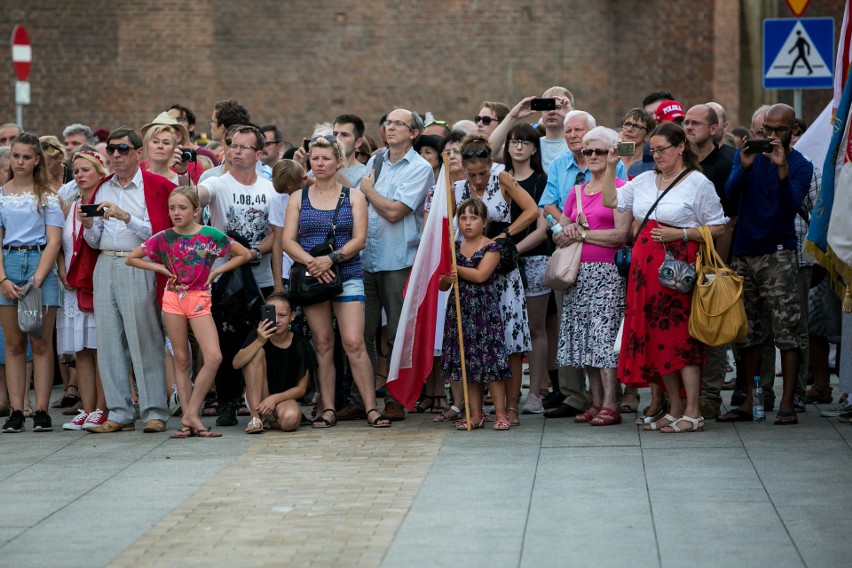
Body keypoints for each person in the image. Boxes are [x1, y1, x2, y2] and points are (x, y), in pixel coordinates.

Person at [602, 122, 727, 433]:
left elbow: (719, 226)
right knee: (657, 342)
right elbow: (610, 201)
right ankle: (674, 408)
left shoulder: (698, 183)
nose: (656, 155)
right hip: (645, 276)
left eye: (662, 149)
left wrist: (681, 232)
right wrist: (610, 164)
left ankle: (693, 412)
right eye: (652, 150)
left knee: (680, 342)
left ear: (681, 147)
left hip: (677, 274)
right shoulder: (644, 180)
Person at [281, 135, 390, 428]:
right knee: (323, 343)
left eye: (326, 158)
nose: (319, 164)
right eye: (314, 158)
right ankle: (327, 407)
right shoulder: (298, 197)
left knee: (354, 342)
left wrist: (333, 259)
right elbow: (287, 241)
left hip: (348, 273)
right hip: (312, 276)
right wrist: (313, 263)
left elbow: (360, 240)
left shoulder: (354, 196)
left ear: (338, 162)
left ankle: (370, 407)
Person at [127, 187, 251, 437]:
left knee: (213, 357)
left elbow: (244, 254)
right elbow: (132, 258)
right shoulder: (163, 237)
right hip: (173, 299)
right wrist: (161, 269)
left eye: (182, 208)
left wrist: (216, 272)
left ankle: (191, 412)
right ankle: (187, 420)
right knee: (181, 360)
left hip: (199, 299)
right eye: (172, 208)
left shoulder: (210, 235)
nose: (176, 212)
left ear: (196, 211)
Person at [719, 103, 813, 426]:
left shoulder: (800, 165)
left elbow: (788, 208)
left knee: (787, 330)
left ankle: (787, 400)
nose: (770, 136)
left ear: (792, 132)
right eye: (765, 131)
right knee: (749, 334)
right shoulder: (746, 156)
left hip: (777, 254)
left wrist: (782, 169)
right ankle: (750, 399)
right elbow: (729, 197)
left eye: (779, 131)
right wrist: (743, 168)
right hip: (744, 253)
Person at [81, 127, 174, 434]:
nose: (116, 155)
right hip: (106, 262)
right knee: (108, 341)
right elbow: (94, 242)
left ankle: (154, 410)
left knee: (144, 337)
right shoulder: (103, 186)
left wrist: (126, 217)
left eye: (123, 149)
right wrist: (90, 224)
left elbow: (161, 234)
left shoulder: (157, 185)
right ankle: (119, 411)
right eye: (112, 150)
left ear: (138, 153)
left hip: (140, 262)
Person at [195, 124, 277, 427]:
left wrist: (254, 253)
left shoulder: (269, 189)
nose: (236, 151)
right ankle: (227, 402)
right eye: (232, 145)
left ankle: (258, 404)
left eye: (244, 147)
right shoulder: (218, 183)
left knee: (256, 340)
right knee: (226, 343)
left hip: (261, 276)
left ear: (259, 153)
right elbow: (196, 197)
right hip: (224, 280)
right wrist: (183, 176)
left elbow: (276, 233)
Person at [354, 108, 433, 421]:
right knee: (361, 332)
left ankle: (396, 399)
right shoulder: (375, 160)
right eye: (387, 122)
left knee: (397, 333)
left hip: (398, 259)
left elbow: (395, 212)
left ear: (413, 133)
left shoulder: (420, 167)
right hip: (366, 259)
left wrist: (368, 190)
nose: (390, 127)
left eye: (398, 123)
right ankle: (363, 399)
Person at [455, 135, 538, 426]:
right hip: (470, 270)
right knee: (478, 338)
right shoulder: (457, 188)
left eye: (482, 173)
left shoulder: (502, 179)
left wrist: (505, 235)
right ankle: (475, 409)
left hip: (501, 269)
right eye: (472, 174)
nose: (478, 180)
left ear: (491, 164)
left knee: (510, 338)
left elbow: (532, 211)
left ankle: (512, 406)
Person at [554, 127, 631, 425]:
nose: (594, 156)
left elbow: (620, 235)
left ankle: (612, 402)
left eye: (601, 151)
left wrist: (583, 234)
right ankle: (595, 401)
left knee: (604, 339)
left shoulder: (622, 187)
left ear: (613, 152)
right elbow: (559, 232)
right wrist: (567, 232)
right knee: (585, 340)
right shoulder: (577, 190)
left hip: (607, 274)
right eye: (589, 151)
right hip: (577, 275)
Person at [0, 133, 63, 433]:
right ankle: (16, 409)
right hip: (9, 263)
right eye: (16, 156)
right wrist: (2, 278)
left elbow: (54, 240)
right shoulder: (1, 194)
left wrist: (38, 277)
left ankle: (41, 409)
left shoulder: (48, 195)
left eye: (26, 156)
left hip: (40, 264)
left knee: (40, 341)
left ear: (37, 159)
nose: (20, 162)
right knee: (14, 344)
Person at [440, 198, 512, 430]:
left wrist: (455, 269)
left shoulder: (492, 246)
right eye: (463, 218)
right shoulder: (453, 247)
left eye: (473, 218)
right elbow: (442, 283)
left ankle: (500, 414)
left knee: (490, 366)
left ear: (484, 222)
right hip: (460, 312)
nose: (468, 223)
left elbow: (481, 275)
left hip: (484, 313)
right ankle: (475, 414)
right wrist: (446, 278)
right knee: (468, 366)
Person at [500, 124, 551, 415]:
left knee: (535, 327)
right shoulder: (498, 177)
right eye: (514, 142)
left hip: (533, 258)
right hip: (501, 262)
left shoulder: (541, 181)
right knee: (504, 327)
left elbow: (542, 229)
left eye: (526, 142)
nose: (519, 147)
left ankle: (535, 393)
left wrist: (511, 250)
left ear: (534, 148)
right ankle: (508, 392)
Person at [57, 149, 108, 430]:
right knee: (82, 350)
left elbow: (99, 243)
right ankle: (87, 407)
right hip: (73, 287)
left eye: (85, 170)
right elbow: (63, 244)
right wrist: (62, 269)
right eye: (75, 171)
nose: (79, 175)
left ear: (100, 172)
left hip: (96, 285)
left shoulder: (104, 203)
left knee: (101, 348)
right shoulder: (70, 204)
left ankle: (103, 406)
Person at [233, 292, 317, 433]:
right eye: (272, 314)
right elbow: (236, 363)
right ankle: (256, 418)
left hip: (282, 399)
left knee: (290, 420)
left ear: (292, 316)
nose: (277, 320)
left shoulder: (300, 344)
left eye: (282, 315)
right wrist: (260, 341)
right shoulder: (257, 335)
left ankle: (269, 423)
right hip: (257, 396)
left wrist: (274, 399)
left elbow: (301, 389)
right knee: (256, 352)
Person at [489, 87, 574, 168]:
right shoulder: (530, 145)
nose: (551, 111)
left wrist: (572, 116)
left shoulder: (579, 144)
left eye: (558, 107)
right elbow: (490, 153)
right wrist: (512, 116)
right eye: (547, 106)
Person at [142, 112, 203, 184]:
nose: (160, 146)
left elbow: (193, 194)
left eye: (166, 142)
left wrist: (183, 173)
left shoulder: (192, 168)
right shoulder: (139, 171)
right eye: (155, 141)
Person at [332, 114, 369, 187]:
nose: (337, 139)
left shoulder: (364, 174)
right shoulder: (321, 164)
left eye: (345, 135)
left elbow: (356, 198)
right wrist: (302, 162)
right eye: (335, 134)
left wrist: (336, 171)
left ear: (358, 143)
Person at [617, 108, 655, 175]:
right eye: (627, 124)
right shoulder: (611, 157)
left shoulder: (650, 163)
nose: (629, 129)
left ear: (647, 135)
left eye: (636, 126)